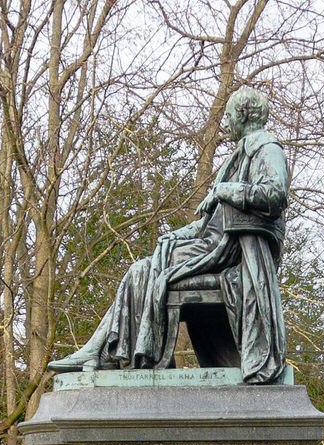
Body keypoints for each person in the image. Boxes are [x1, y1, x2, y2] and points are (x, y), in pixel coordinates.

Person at [46, 86, 291, 384]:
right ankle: (102, 351)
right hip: (211, 244)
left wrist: (224, 190)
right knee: (140, 270)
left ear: (242, 115)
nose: (224, 124)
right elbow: (207, 223)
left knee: (149, 270)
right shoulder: (237, 156)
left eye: (227, 117)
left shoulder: (267, 148)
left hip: (230, 252)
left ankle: (112, 353)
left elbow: (274, 196)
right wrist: (173, 235)